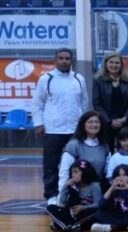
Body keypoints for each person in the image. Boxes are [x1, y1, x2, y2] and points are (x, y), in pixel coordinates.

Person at [32, 48, 88, 202]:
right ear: (55, 60)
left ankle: (75, 194)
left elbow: (84, 104)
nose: (64, 61)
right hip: (53, 130)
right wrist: (38, 124)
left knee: (77, 165)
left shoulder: (79, 79)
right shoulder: (46, 79)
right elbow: (37, 103)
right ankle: (51, 195)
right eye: (61, 58)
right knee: (51, 165)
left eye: (67, 58)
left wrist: (84, 126)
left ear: (71, 61)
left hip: (75, 130)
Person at [57, 110, 110, 197]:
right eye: (90, 122)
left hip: (97, 191)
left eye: (97, 122)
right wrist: (62, 194)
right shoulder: (73, 145)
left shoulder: (104, 146)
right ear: (83, 125)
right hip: (77, 193)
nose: (94, 125)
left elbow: (108, 171)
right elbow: (64, 172)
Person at [92, 53, 128, 150]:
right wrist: (109, 121)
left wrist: (124, 118)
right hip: (106, 123)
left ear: (121, 65)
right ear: (106, 64)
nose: (114, 65)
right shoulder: (98, 80)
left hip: (125, 122)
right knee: (107, 152)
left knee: (126, 152)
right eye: (111, 62)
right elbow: (97, 104)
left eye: (117, 63)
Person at [47, 160, 102, 232]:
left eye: (76, 172)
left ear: (85, 172)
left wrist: (83, 208)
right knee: (50, 207)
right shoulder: (73, 185)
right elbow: (61, 203)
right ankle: (70, 226)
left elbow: (98, 204)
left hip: (85, 215)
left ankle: (64, 225)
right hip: (71, 214)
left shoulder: (94, 185)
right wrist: (66, 186)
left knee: (95, 212)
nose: (73, 175)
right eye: (72, 172)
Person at [90, 163, 128, 232]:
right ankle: (127, 226)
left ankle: (111, 228)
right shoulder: (111, 187)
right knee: (98, 214)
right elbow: (101, 205)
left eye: (125, 175)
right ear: (114, 178)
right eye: (118, 175)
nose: (121, 178)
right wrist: (111, 189)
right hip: (115, 215)